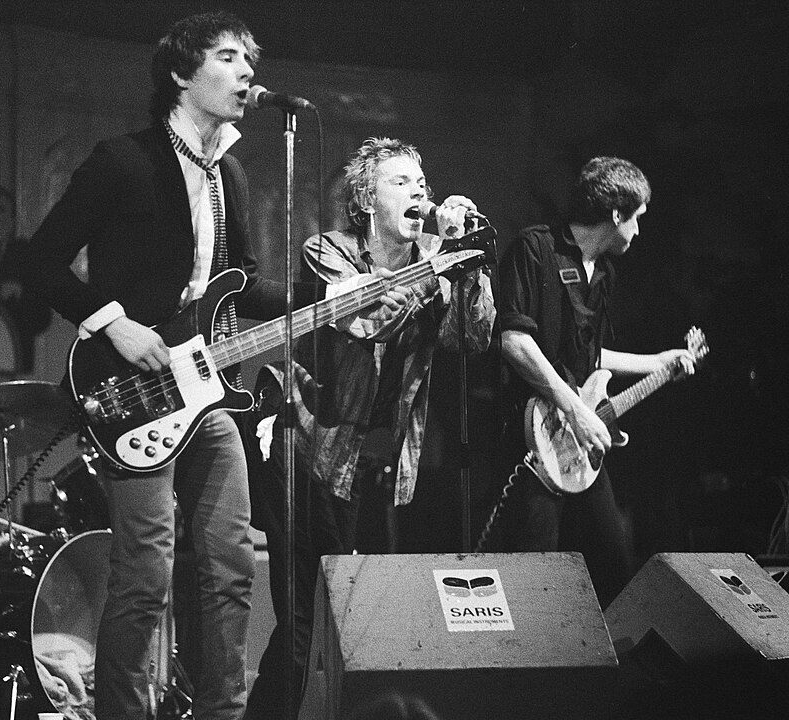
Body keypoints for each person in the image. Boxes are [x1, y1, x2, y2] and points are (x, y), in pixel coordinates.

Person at [21, 12, 378, 719]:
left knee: (231, 568)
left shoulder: (232, 176)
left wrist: (338, 292)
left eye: (249, 58)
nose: (247, 71)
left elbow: (241, 287)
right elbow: (38, 260)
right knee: (145, 574)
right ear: (182, 74)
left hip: (206, 398)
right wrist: (113, 323)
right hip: (129, 388)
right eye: (227, 57)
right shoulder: (122, 160)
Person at [245, 137, 496, 719]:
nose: (419, 193)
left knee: (361, 624)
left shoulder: (432, 263)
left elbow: (473, 337)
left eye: (423, 184)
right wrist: (438, 267)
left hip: (379, 466)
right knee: (307, 619)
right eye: (401, 182)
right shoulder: (327, 252)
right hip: (307, 451)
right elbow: (366, 320)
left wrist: (470, 267)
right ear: (365, 198)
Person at [492, 156, 697, 606]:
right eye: (637, 218)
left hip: (579, 442)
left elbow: (589, 356)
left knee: (616, 569)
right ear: (617, 214)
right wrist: (575, 410)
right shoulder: (535, 249)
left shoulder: (604, 273)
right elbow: (514, 341)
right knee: (531, 580)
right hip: (534, 438)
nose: (639, 232)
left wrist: (658, 361)